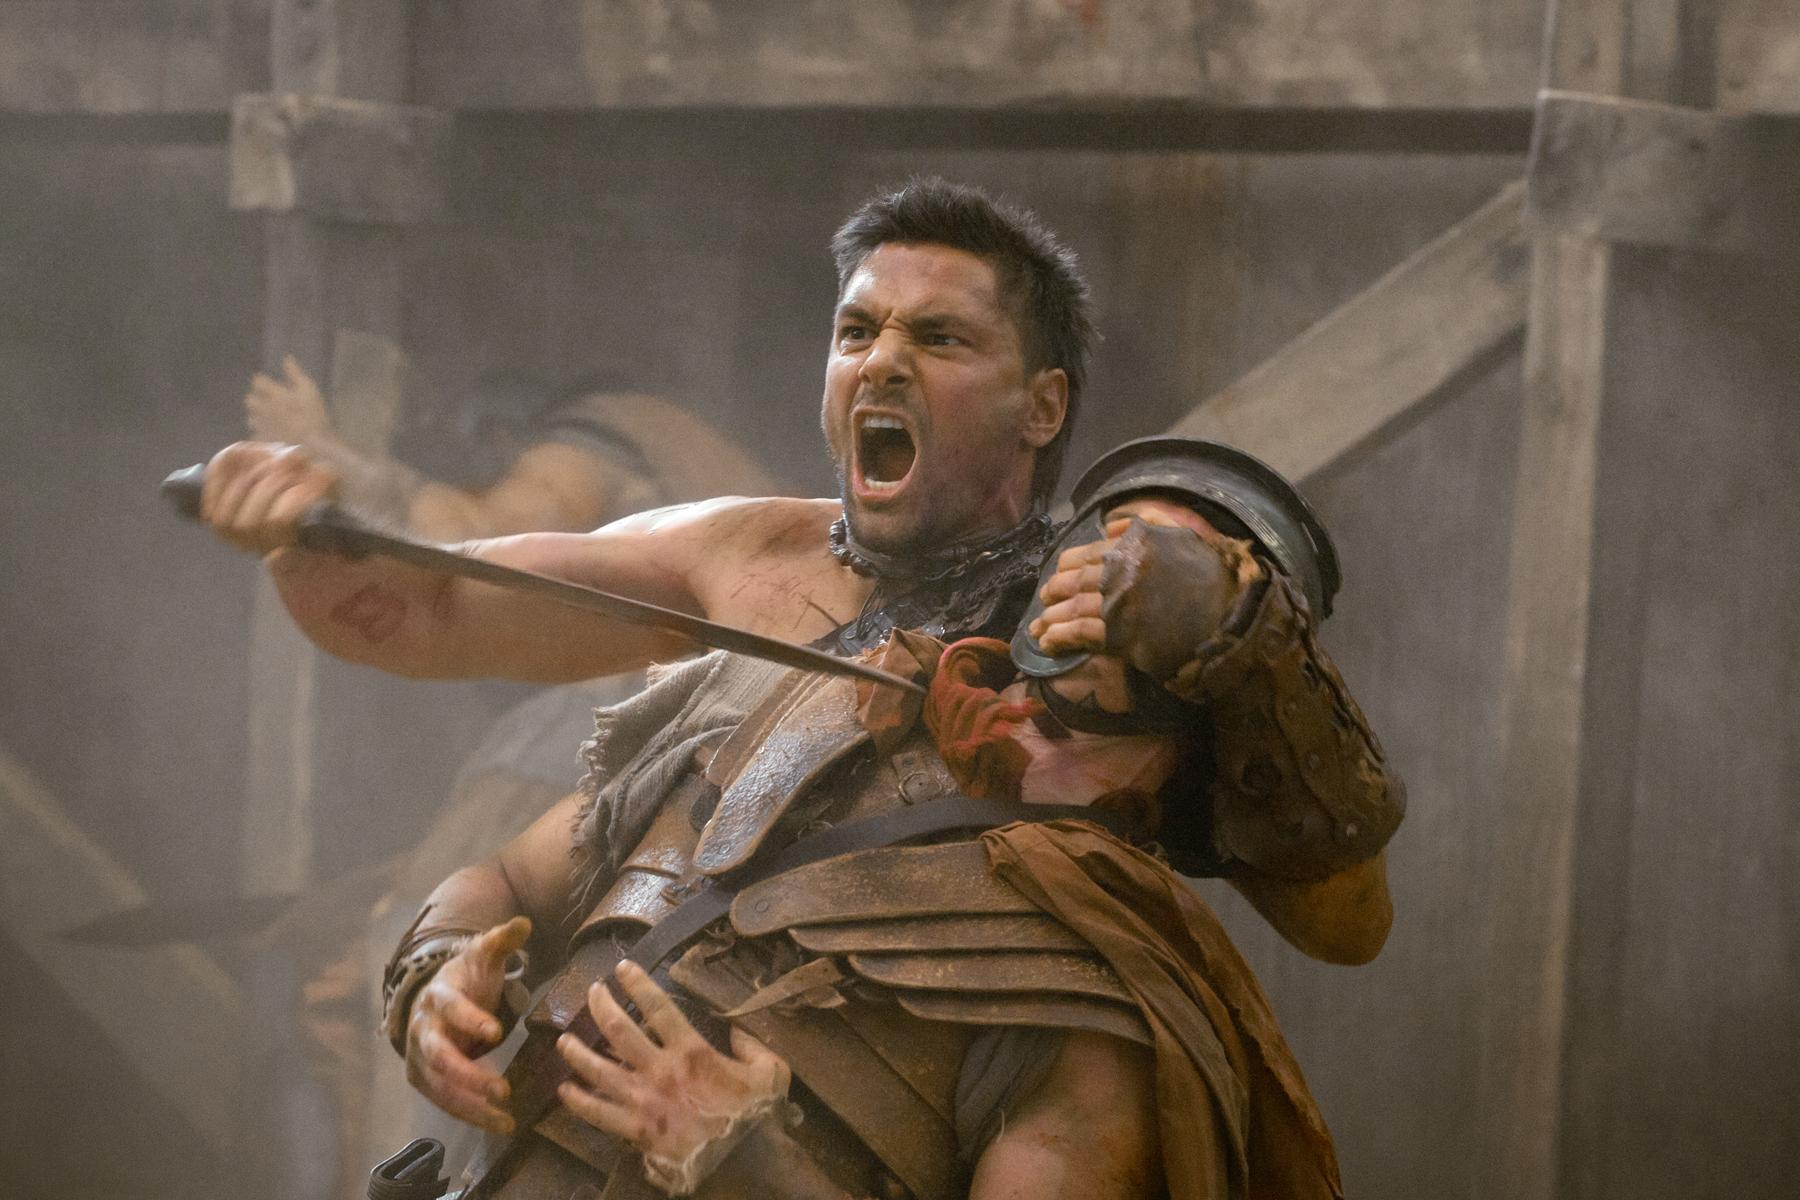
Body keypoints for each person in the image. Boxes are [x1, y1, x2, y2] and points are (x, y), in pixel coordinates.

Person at [199, 178, 1402, 1199]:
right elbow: (426, 607)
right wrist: (299, 536)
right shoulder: (750, 614)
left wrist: (742, 1155)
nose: (884, 360)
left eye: (941, 339)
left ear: (1043, 406)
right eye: (858, 329)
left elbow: (1348, 918)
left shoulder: (1093, 993)